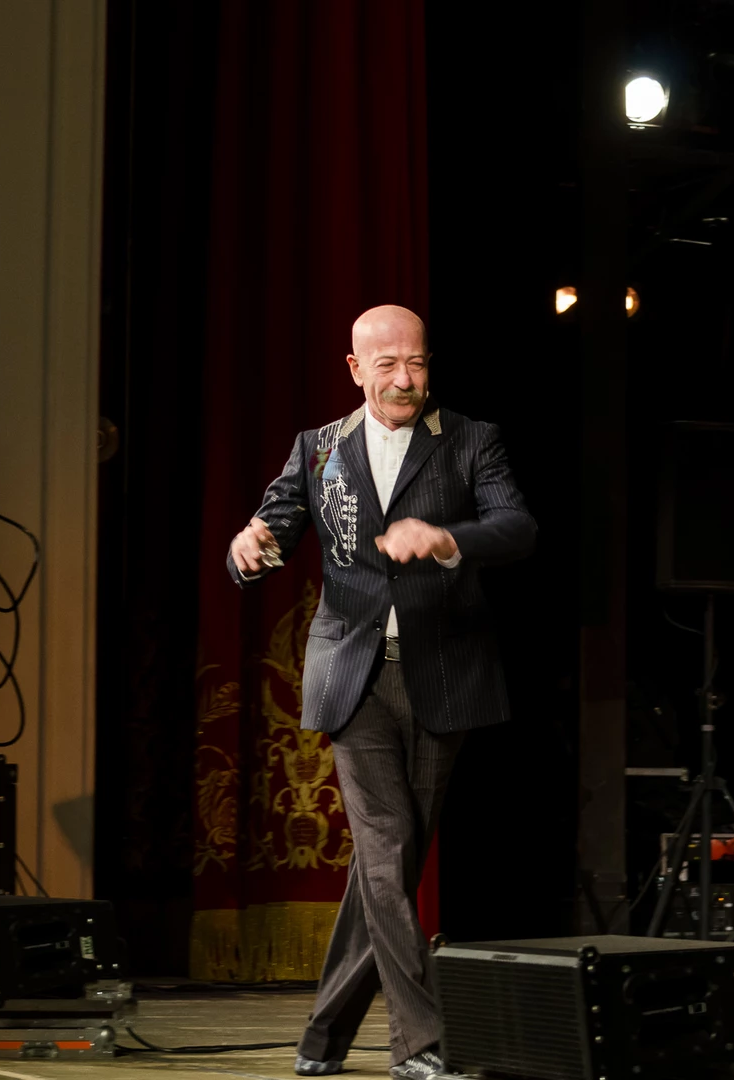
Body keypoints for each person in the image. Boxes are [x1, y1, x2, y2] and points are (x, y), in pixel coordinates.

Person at [227, 305, 536, 1080]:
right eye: (388, 364)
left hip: (442, 677)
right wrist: (248, 548)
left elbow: (517, 527)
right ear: (355, 368)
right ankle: (421, 1043)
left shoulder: (470, 440)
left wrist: (449, 538)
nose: (405, 379)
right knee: (388, 849)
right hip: (354, 677)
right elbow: (271, 530)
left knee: (388, 869)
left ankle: (322, 1037)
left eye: (417, 363)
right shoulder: (319, 448)